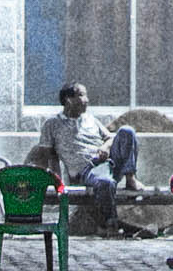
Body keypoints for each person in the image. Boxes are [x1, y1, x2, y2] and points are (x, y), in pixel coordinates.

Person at [33, 83, 122, 233]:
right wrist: (49, 181)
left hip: (109, 163)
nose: (86, 100)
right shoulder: (52, 124)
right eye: (82, 95)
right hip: (88, 170)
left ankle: (131, 177)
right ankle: (108, 224)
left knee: (127, 132)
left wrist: (105, 147)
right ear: (68, 100)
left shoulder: (91, 119)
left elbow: (110, 138)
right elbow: (44, 156)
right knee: (105, 182)